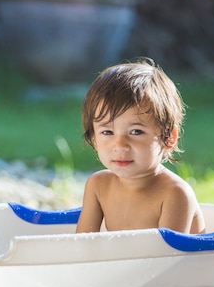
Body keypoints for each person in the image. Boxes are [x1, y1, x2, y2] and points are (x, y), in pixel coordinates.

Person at [76, 57, 205, 234]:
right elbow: (82, 247)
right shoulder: (98, 185)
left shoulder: (175, 193)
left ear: (169, 138)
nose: (120, 145)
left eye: (136, 132)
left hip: (187, 262)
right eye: (107, 132)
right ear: (93, 136)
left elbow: (169, 258)